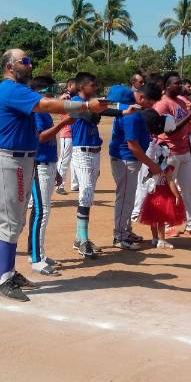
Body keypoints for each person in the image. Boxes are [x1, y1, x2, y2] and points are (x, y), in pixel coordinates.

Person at [0, 49, 108, 302]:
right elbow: (46, 104)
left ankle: (8, 272)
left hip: (20, 159)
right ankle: (4, 278)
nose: (30, 65)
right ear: (10, 66)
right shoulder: (11, 89)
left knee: (16, 222)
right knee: (10, 223)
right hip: (10, 161)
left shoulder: (16, 90)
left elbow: (20, 125)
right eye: (25, 61)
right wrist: (84, 105)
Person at [69, 72, 132, 257]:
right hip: (82, 151)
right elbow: (91, 117)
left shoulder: (90, 104)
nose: (95, 88)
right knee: (85, 194)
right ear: (81, 87)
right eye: (92, 85)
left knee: (88, 195)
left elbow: (100, 112)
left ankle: (80, 238)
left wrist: (122, 111)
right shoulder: (74, 101)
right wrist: (97, 110)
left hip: (94, 151)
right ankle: (82, 239)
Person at [26, 76, 74, 275]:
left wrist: (56, 171)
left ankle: (35, 253)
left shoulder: (44, 111)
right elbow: (41, 138)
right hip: (39, 164)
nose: (53, 92)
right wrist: (63, 124)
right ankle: (37, 259)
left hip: (47, 164)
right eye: (50, 89)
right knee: (41, 211)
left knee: (41, 210)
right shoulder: (37, 111)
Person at [153, 72, 191, 237]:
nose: (181, 86)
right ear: (167, 86)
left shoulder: (181, 103)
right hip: (169, 152)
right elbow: (168, 131)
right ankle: (169, 224)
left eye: (181, 83)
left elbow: (185, 128)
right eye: (177, 83)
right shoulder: (162, 105)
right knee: (169, 189)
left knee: (188, 189)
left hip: (184, 151)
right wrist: (189, 117)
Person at [108, 84, 162, 250]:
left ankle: (125, 231)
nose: (151, 106)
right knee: (125, 199)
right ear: (141, 97)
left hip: (129, 159)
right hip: (126, 160)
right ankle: (120, 236)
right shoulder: (131, 115)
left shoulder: (133, 110)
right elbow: (133, 145)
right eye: (150, 102)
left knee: (128, 198)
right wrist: (151, 164)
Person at [138, 144, 185, 249]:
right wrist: (177, 195)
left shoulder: (152, 167)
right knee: (161, 219)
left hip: (152, 195)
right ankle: (162, 240)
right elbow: (170, 182)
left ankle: (155, 238)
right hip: (163, 195)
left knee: (153, 218)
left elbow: (145, 179)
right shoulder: (166, 168)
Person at [55, 78, 78, 194]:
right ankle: (59, 185)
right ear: (69, 85)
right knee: (64, 159)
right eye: (75, 85)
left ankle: (75, 184)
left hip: (75, 133)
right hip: (66, 133)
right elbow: (58, 103)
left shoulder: (75, 97)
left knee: (75, 160)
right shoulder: (65, 97)